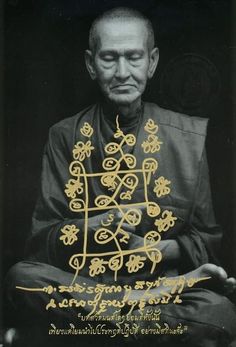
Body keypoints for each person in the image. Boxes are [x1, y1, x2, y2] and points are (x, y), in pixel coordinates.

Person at [5, 7, 236, 347]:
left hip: (159, 286)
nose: (122, 72)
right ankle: (140, 313)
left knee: (219, 315)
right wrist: (92, 227)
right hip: (86, 284)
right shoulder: (64, 135)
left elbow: (207, 240)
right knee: (20, 279)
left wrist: (153, 250)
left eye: (134, 57)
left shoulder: (187, 136)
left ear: (152, 62)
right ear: (90, 64)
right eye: (109, 59)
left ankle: (52, 334)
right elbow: (41, 242)